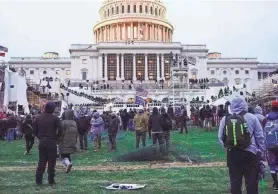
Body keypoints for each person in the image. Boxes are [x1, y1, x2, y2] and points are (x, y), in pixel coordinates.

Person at [218, 97, 265, 194]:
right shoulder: (252, 117)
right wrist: (260, 151)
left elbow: (220, 137)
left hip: (233, 154)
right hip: (250, 153)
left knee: (235, 184)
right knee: (251, 184)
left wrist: (228, 146)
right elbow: (260, 137)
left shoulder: (226, 119)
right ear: (244, 105)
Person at [34, 102, 62, 186]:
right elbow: (61, 129)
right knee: (51, 162)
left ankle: (38, 180)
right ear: (52, 109)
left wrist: (40, 137)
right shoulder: (55, 118)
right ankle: (51, 180)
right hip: (52, 142)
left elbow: (35, 130)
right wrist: (56, 138)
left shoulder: (39, 118)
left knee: (41, 161)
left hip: (42, 142)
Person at [265, 100, 278, 190]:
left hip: (269, 144)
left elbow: (264, 131)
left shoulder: (267, 118)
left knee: (272, 164)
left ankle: (275, 184)